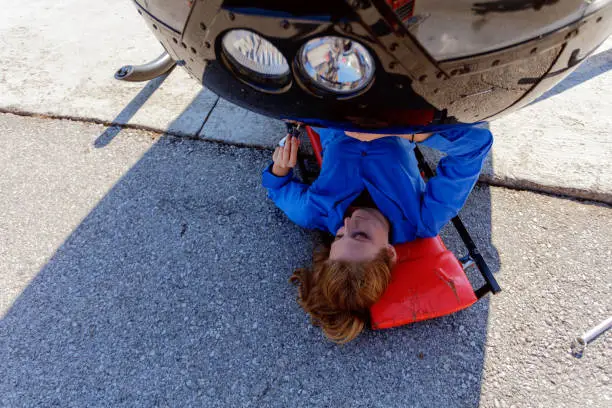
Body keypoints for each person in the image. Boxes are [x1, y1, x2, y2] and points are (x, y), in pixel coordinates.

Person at [262, 126, 493, 343]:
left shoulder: (314, 212)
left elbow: (277, 188)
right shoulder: (424, 218)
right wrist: (410, 134)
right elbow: (475, 145)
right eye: (361, 236)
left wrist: (280, 166)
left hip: (332, 108)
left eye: (339, 236)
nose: (348, 222)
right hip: (395, 112)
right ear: (389, 252)